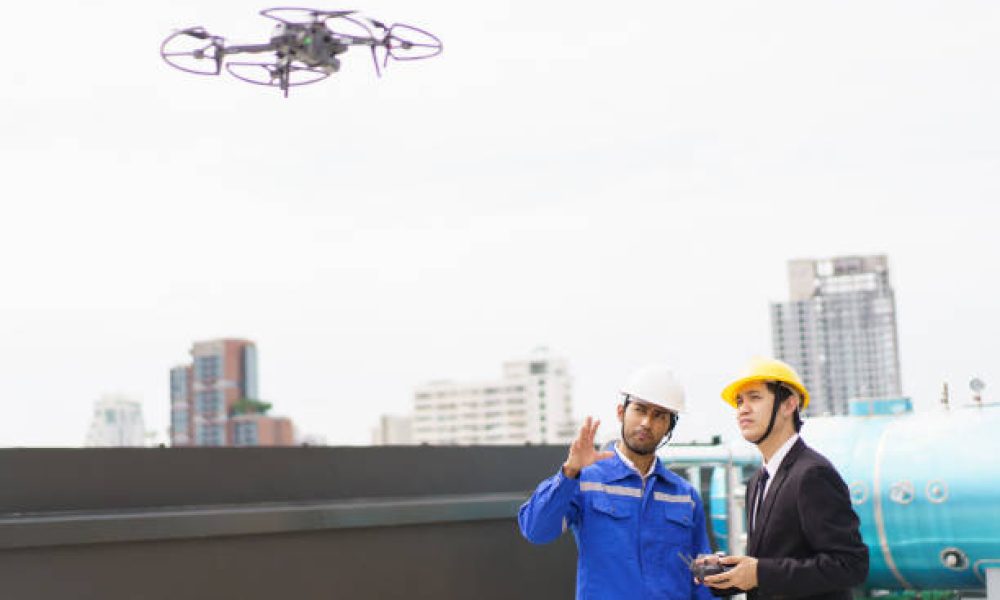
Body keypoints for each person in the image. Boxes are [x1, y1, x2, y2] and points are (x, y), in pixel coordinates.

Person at [518, 365, 715, 600]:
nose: (646, 422)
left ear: (669, 427)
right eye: (640, 409)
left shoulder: (685, 496)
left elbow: (701, 580)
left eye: (659, 415)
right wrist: (569, 472)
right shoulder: (586, 480)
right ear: (621, 412)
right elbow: (536, 530)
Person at [703, 357, 868, 599]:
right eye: (739, 401)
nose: (743, 409)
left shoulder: (812, 474)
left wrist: (760, 573)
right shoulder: (757, 482)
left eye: (754, 398)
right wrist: (729, 575)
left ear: (789, 405)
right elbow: (771, 567)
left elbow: (850, 564)